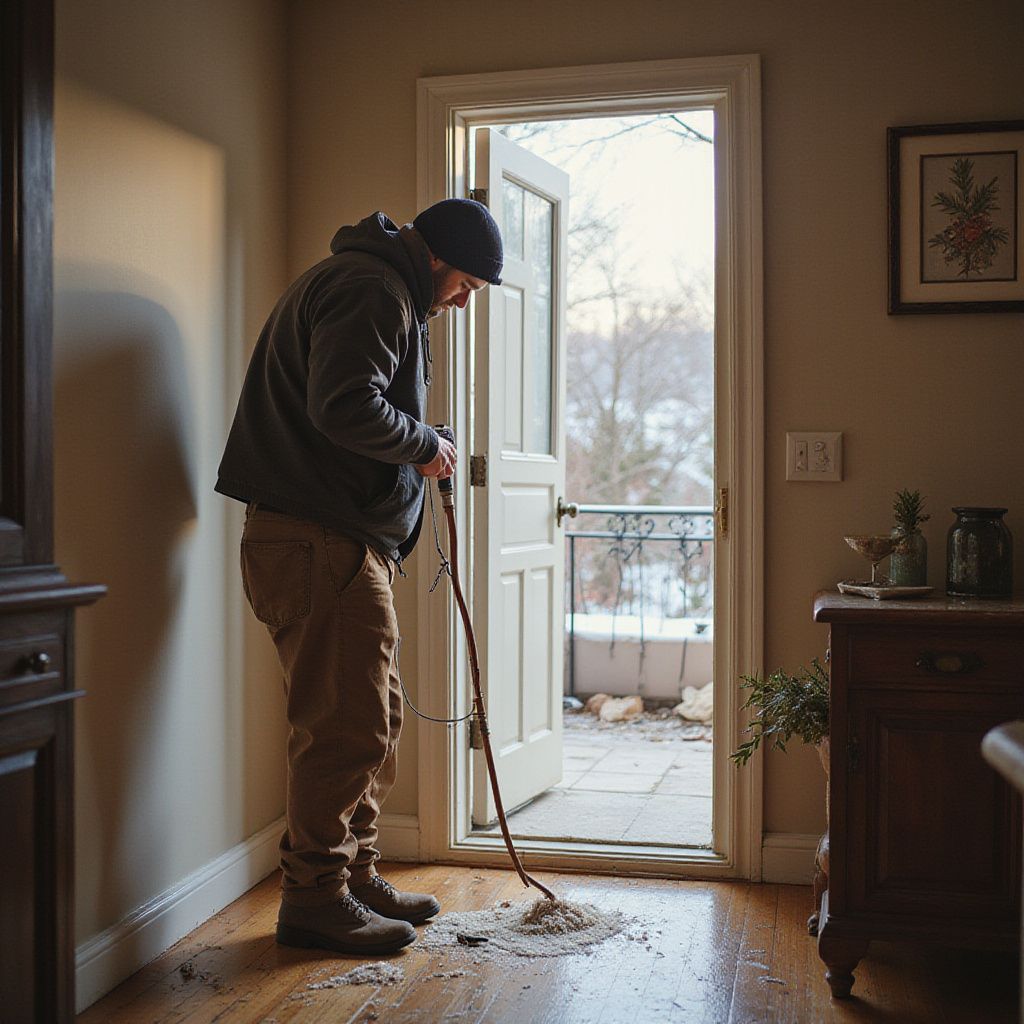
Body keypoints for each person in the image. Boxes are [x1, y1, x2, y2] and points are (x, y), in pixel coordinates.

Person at [215, 199, 503, 954]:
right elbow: (344, 405)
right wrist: (426, 449)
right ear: (436, 258)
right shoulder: (372, 288)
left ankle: (354, 877)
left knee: (373, 717)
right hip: (317, 538)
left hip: (336, 538)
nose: (463, 300)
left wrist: (420, 438)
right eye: (466, 284)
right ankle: (314, 898)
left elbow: (355, 406)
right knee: (345, 725)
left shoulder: (380, 288)